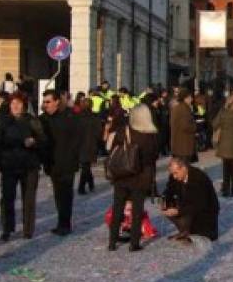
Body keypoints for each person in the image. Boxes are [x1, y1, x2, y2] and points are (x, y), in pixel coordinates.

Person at [106, 105, 159, 252]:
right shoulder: (151, 135)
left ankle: (112, 241)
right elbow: (153, 156)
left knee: (118, 208)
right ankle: (134, 243)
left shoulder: (124, 130)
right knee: (137, 210)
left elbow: (113, 150)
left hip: (122, 175)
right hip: (141, 177)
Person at [0, 93, 44, 241]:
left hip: (29, 165)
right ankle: (7, 228)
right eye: (13, 103)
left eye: (18, 103)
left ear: (24, 105)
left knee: (29, 198)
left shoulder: (32, 121)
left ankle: (28, 229)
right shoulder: (3, 121)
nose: (15, 106)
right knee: (7, 198)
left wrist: (34, 142)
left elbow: (44, 140)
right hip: (9, 165)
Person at [40, 90, 82, 236]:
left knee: (66, 194)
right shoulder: (43, 119)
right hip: (52, 163)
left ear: (57, 101)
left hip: (67, 162)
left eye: (48, 101)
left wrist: (75, 157)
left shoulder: (69, 116)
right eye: (44, 102)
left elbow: (77, 138)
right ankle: (61, 222)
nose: (46, 104)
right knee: (58, 194)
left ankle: (65, 224)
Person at [160, 157, 220, 243]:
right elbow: (169, 189)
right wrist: (165, 199)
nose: (174, 176)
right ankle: (185, 230)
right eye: (172, 173)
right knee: (169, 207)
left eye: (176, 173)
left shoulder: (199, 178)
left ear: (184, 168)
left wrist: (178, 211)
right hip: (188, 206)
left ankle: (194, 231)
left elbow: (198, 204)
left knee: (186, 211)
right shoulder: (175, 176)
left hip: (205, 212)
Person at [75, 98, 102, 195]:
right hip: (91, 144)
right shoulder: (95, 117)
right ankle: (85, 186)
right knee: (86, 166)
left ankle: (86, 186)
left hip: (81, 144)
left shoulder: (77, 117)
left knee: (85, 165)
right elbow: (99, 132)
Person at [170, 89, 196, 162]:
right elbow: (185, 126)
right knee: (184, 167)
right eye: (190, 97)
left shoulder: (176, 108)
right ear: (185, 98)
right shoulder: (184, 109)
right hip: (184, 145)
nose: (191, 99)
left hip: (177, 144)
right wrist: (195, 127)